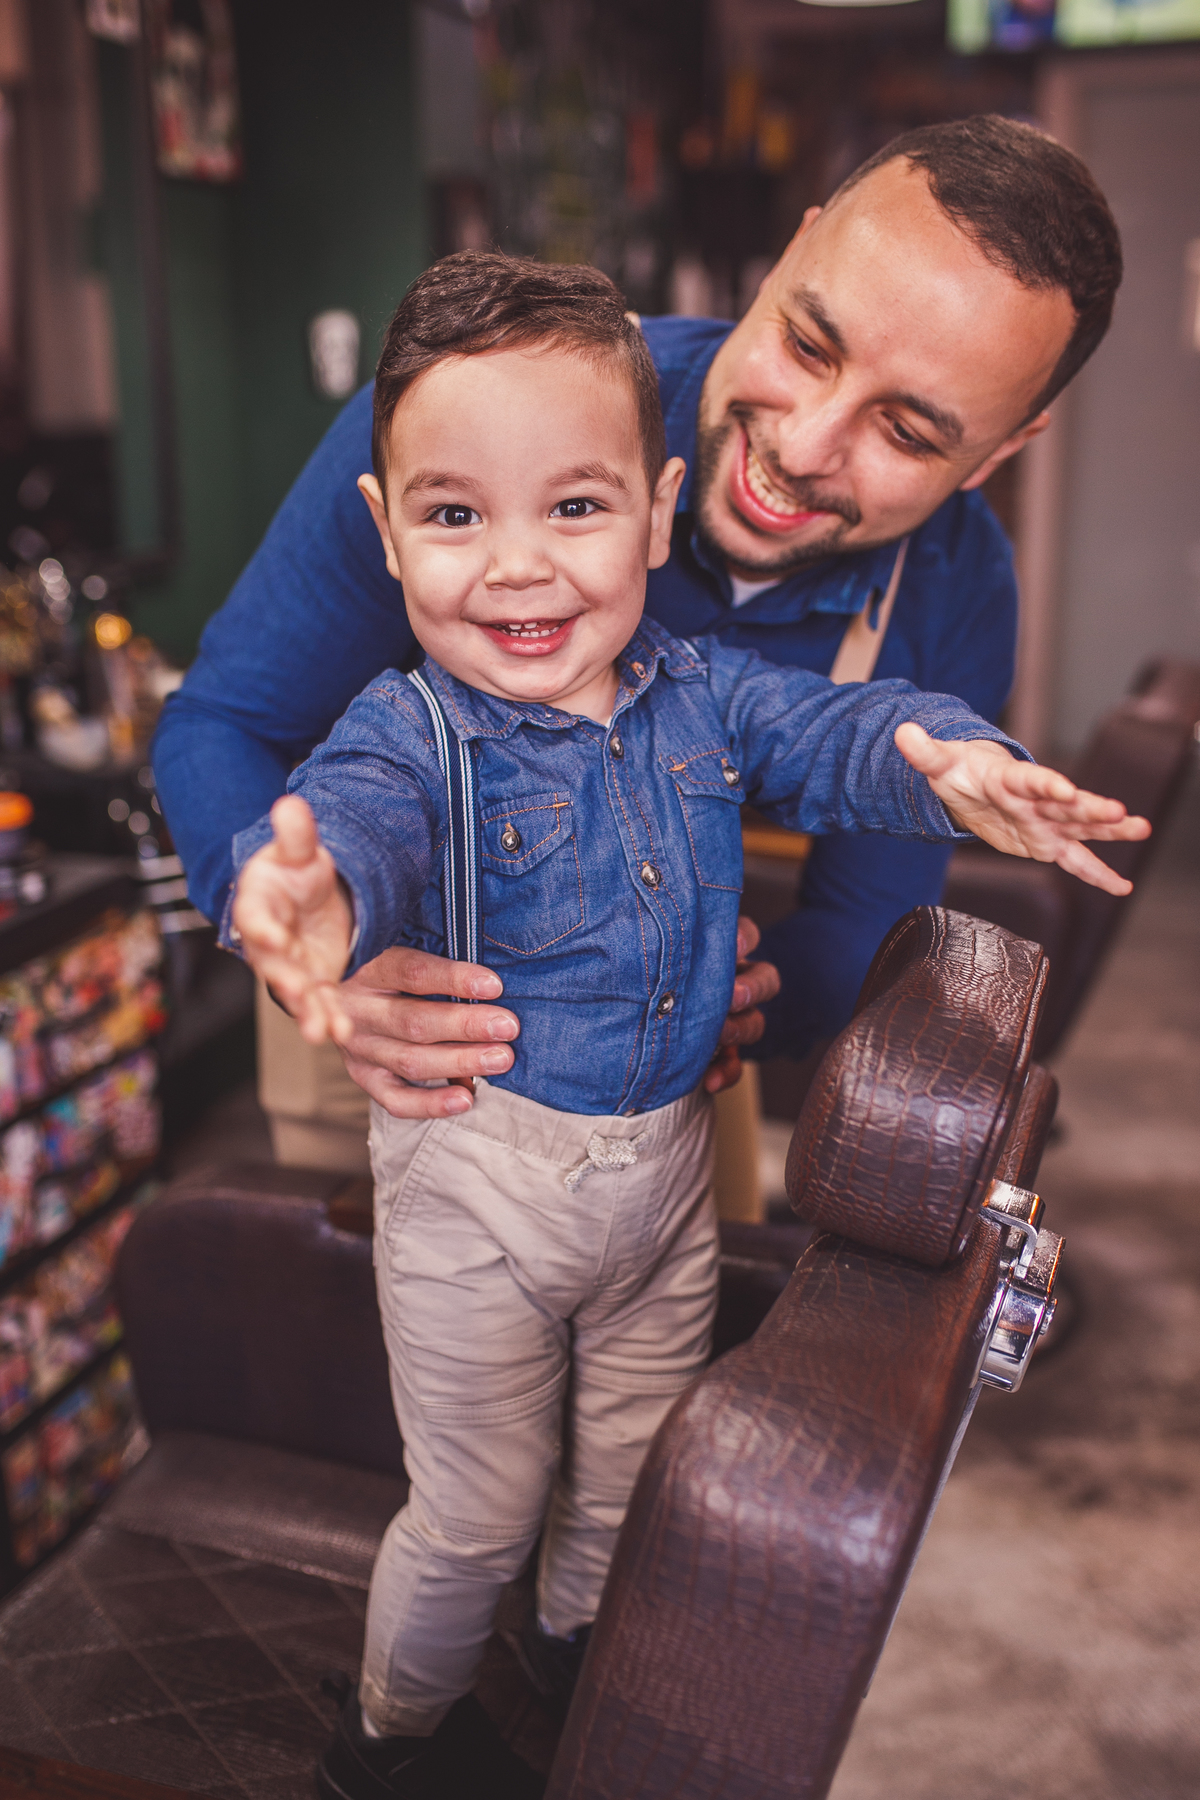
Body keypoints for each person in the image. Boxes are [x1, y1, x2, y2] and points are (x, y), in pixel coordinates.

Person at [227, 255, 1145, 1800]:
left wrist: (949, 752)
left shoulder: (704, 691)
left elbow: (846, 729)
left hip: (661, 1187)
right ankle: (391, 1734)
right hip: (477, 1196)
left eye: (574, 511)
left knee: (633, 1473)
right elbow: (359, 833)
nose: (519, 569)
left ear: (656, 516)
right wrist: (315, 905)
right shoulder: (403, 732)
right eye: (456, 518)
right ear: (388, 539)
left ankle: (583, 1650)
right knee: (476, 1510)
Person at [152, 115, 1124, 1144]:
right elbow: (220, 725)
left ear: (997, 453)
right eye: (806, 343)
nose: (799, 446)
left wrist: (735, 995)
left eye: (906, 432)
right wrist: (317, 961)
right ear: (790, 253)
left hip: (665, 1077)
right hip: (395, 1036)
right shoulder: (464, 424)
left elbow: (862, 917)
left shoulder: (956, 588)